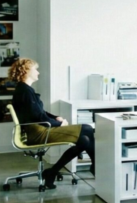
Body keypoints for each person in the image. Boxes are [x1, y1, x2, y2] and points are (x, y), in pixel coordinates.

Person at [8, 58, 96, 188]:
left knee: (84, 140)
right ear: (25, 71)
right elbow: (38, 117)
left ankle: (52, 172)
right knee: (87, 128)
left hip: (37, 129)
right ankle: (96, 166)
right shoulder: (25, 91)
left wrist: (56, 117)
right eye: (35, 69)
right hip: (38, 133)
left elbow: (40, 112)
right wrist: (59, 124)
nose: (38, 72)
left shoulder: (25, 90)